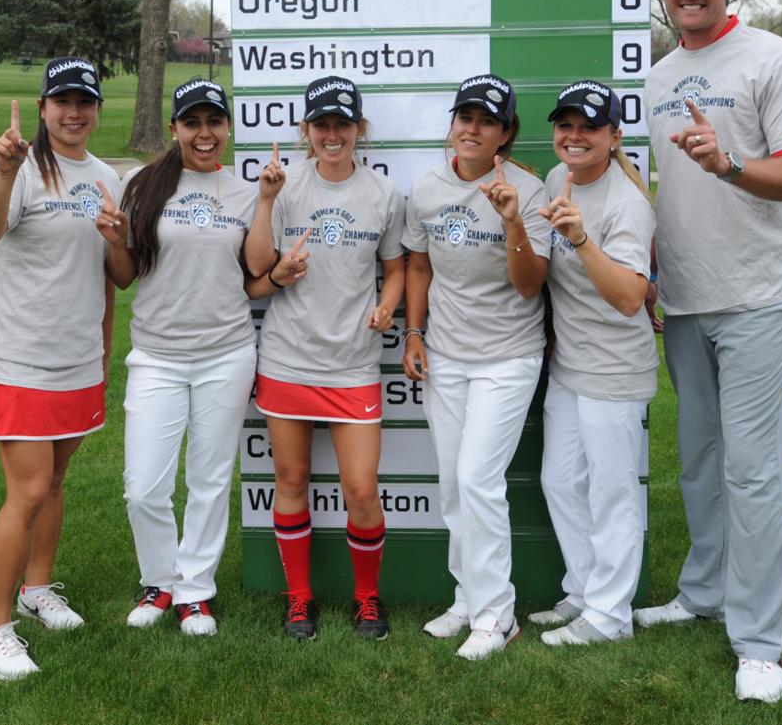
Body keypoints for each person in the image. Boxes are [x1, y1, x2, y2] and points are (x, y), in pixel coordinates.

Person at [635, 0, 782, 704]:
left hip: (756, 295)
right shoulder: (658, 76)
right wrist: (649, 266)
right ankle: (703, 592)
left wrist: (732, 164)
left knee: (752, 472)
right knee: (702, 462)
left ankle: (759, 643)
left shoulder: (774, 59)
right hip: (684, 297)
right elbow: (663, 190)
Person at [0, 57, 122, 680]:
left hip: (79, 360)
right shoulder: (19, 167)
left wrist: (118, 240)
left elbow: (117, 279)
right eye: (61, 102)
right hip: (20, 359)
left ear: (96, 111)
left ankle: (37, 589)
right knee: (27, 491)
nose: (74, 112)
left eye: (84, 102)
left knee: (55, 484)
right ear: (42, 108)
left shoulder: (108, 175)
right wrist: (4, 173)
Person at [96, 79, 266, 637]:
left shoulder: (245, 192)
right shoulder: (141, 185)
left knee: (211, 480)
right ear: (174, 129)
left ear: (227, 129)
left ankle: (194, 591)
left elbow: (255, 274)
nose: (204, 134)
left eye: (214, 122)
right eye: (192, 123)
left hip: (226, 353)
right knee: (143, 484)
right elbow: (123, 278)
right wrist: (116, 241)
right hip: (158, 355)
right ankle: (158, 580)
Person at [245, 75, 406, 642]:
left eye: (343, 124)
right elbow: (257, 265)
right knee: (290, 481)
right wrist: (265, 201)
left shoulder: (383, 195)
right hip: (288, 358)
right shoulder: (284, 186)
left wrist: (388, 305)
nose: (332, 135)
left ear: (360, 130)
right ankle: (299, 599)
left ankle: (367, 599)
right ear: (305, 131)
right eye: (322, 125)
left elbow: (397, 267)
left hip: (353, 364)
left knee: (362, 491)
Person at [400, 74, 550, 661]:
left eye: (487, 120)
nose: (472, 128)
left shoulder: (528, 192)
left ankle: (497, 617)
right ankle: (468, 598)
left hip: (508, 356)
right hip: (446, 354)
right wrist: (414, 332)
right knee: (453, 483)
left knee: (479, 482)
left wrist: (512, 220)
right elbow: (419, 267)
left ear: (504, 134)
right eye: (465, 117)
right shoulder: (428, 188)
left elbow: (530, 285)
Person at [524, 81, 657, 648]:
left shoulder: (628, 202)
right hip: (572, 366)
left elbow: (629, 297)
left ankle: (610, 616)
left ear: (614, 136)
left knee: (612, 493)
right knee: (559, 481)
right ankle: (584, 589)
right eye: (566, 125)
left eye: (589, 127)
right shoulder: (559, 179)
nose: (574, 137)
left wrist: (581, 239)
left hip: (615, 371)